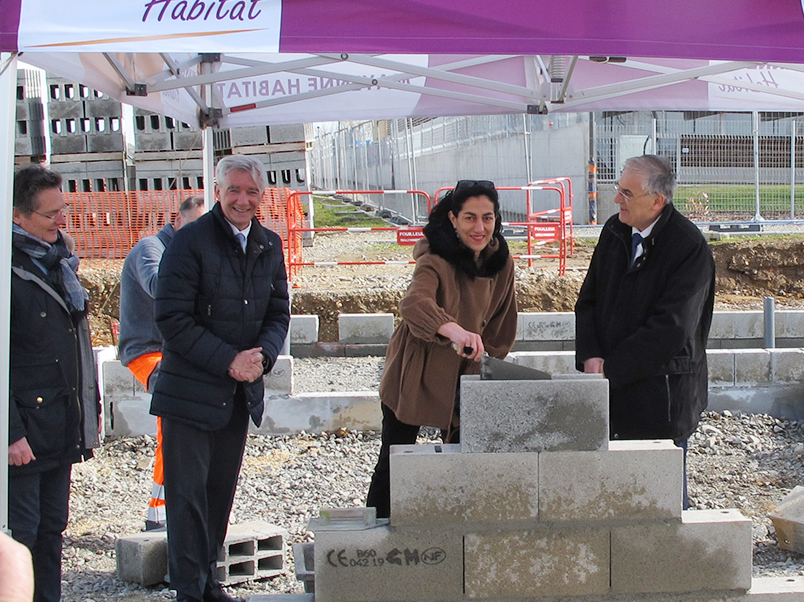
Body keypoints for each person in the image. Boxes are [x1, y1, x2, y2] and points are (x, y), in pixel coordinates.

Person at [150, 155, 290, 602]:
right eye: (234, 190)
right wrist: (229, 360)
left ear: (262, 196)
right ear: (217, 191)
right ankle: (189, 591)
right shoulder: (190, 242)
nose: (242, 199)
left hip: (237, 393)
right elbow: (171, 318)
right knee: (187, 500)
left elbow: (277, 311)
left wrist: (262, 357)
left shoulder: (269, 243)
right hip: (190, 393)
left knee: (218, 495)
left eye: (251, 191)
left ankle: (210, 584)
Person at [366, 180, 518, 519]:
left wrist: (483, 364)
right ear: (453, 219)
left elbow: (500, 326)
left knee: (463, 461)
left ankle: (450, 534)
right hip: (417, 371)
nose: (479, 228)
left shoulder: (501, 264)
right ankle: (376, 538)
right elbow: (414, 304)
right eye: (469, 218)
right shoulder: (435, 259)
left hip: (466, 375)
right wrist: (452, 330)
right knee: (393, 459)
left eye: (487, 218)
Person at [574, 154, 715, 507]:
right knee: (615, 495)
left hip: (661, 397)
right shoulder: (614, 231)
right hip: (611, 388)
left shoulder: (688, 247)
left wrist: (612, 368)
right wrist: (591, 356)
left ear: (657, 201)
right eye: (617, 189)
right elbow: (588, 300)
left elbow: (672, 328)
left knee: (662, 501)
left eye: (626, 193)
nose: (616, 199)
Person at [8, 164, 101, 602]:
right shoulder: (10, 271)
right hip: (24, 433)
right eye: (51, 214)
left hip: (59, 422)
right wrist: (11, 433)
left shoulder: (60, 261)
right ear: (18, 215)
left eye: (63, 209)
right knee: (20, 534)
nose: (62, 220)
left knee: (51, 529)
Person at [118, 195, 205, 530]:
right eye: (196, 225)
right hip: (148, 349)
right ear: (177, 221)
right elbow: (159, 286)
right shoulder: (150, 249)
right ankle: (161, 509)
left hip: (173, 348)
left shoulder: (185, 250)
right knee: (175, 412)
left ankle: (177, 503)